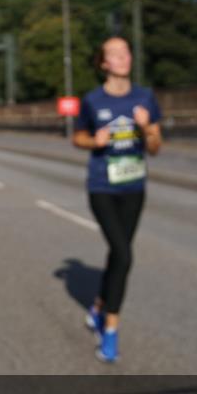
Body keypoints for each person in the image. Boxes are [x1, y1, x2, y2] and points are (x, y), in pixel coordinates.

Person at [73, 36, 163, 363]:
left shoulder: (145, 97)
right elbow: (77, 137)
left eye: (126, 52)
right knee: (124, 255)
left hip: (133, 187)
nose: (123, 57)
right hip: (102, 187)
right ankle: (110, 330)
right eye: (115, 54)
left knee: (118, 253)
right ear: (104, 63)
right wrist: (93, 141)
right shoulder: (92, 100)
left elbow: (156, 147)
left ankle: (98, 306)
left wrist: (146, 128)